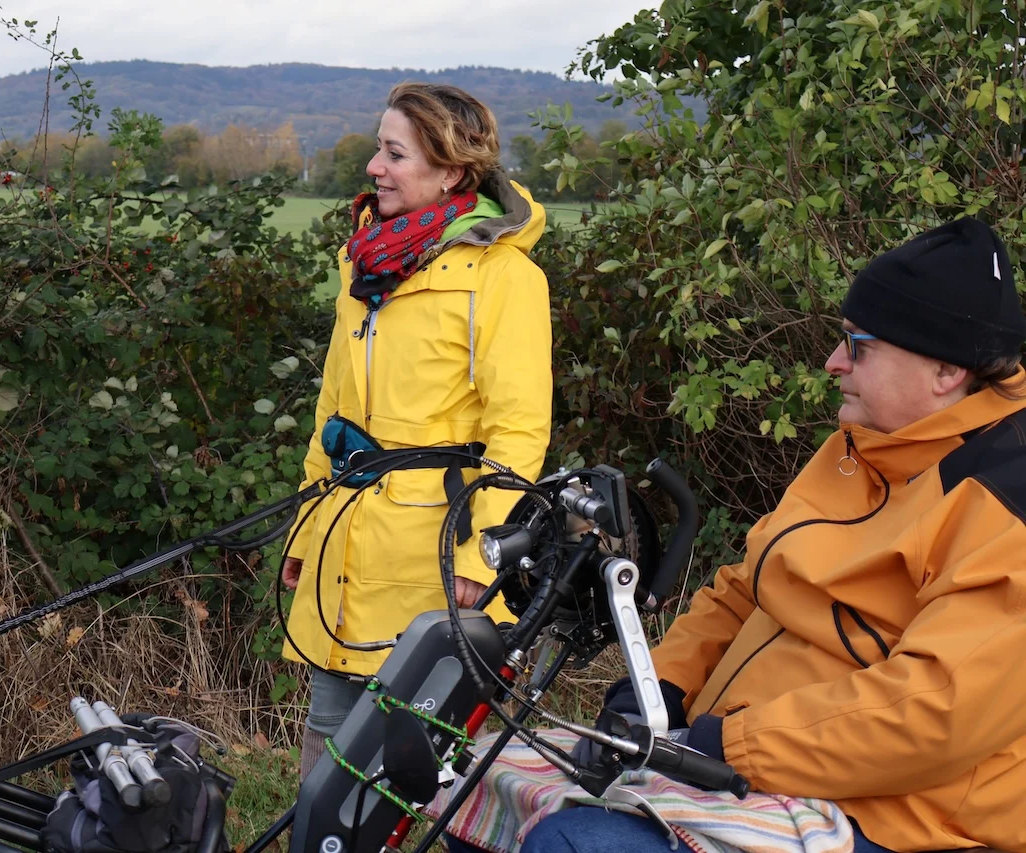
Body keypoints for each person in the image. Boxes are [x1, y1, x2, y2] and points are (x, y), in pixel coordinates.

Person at [508, 218, 1026, 853]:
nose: (834, 362)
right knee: (490, 784)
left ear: (945, 370)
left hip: (896, 818)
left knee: (572, 843)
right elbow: (746, 585)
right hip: (747, 763)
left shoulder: (1006, 498)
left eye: (859, 345)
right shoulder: (863, 445)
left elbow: (936, 710)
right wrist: (658, 687)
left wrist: (722, 746)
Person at [279, 83, 553, 776]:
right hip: (345, 537)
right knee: (328, 736)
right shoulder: (364, 261)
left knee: (421, 760)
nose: (374, 167)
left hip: (437, 554)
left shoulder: (503, 277)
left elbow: (519, 430)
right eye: (379, 148)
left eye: (395, 154)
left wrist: (482, 559)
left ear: (452, 171)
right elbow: (333, 413)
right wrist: (306, 530)